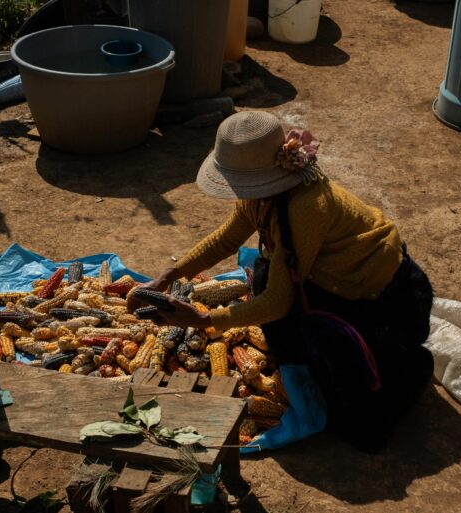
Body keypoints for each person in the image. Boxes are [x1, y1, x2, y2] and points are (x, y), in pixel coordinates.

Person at [130, 111, 434, 452]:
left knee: (358, 426)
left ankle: (413, 366)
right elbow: (226, 240)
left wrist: (205, 320)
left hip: (381, 295)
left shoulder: (305, 207)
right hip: (326, 277)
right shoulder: (258, 197)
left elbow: (277, 301)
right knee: (265, 276)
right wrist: (169, 276)